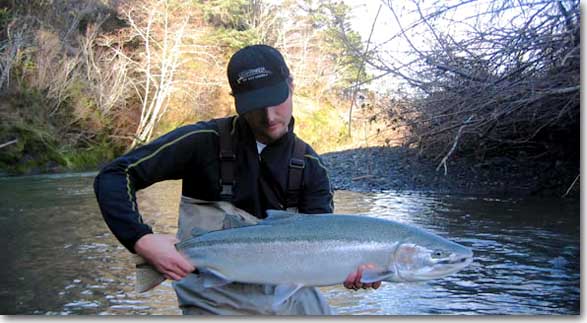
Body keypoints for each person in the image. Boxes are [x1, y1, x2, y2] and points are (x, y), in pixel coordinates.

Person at [93, 44, 380, 315]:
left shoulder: (311, 167)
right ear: (236, 101)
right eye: (256, 105)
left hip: (290, 298)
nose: (269, 117)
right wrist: (141, 239)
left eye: (276, 100)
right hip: (213, 300)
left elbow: (320, 247)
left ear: (291, 86)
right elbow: (116, 174)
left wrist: (351, 269)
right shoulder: (202, 142)